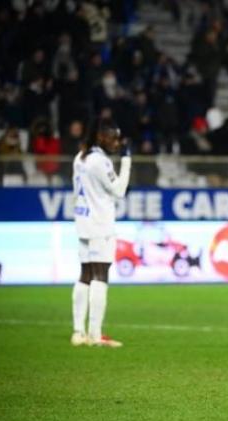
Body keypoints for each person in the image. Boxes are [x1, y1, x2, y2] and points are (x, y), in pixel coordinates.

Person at [71, 118, 131, 347]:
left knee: (85, 274)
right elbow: (119, 190)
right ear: (101, 137)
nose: (117, 143)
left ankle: (78, 332)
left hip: (83, 221)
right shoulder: (100, 161)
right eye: (114, 138)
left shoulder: (80, 157)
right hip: (100, 224)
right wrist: (126, 160)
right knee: (100, 275)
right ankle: (95, 335)